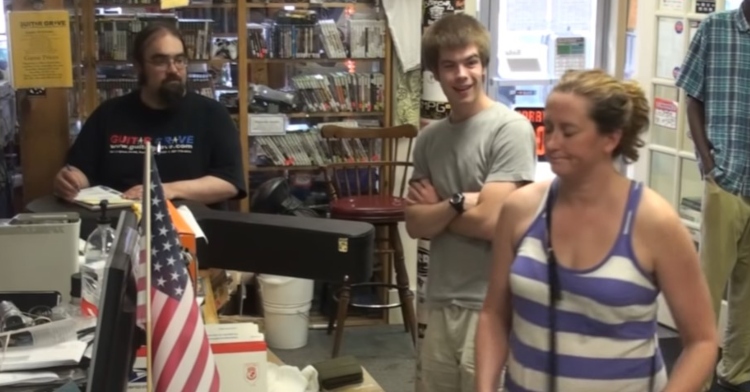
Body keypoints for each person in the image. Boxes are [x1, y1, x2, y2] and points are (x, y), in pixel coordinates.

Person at [475, 69, 718, 392]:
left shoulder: (655, 222)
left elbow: (703, 341)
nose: (552, 142)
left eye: (569, 131)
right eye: (549, 128)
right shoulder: (520, 210)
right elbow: (494, 315)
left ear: (611, 138)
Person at [405, 13, 537, 392]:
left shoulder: (509, 128)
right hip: (441, 299)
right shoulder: (429, 140)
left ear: (483, 65)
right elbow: (415, 224)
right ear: (435, 72)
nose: (461, 74)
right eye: (449, 65)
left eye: (470, 62)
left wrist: (441, 208)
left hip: (491, 304)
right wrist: (461, 202)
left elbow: (494, 224)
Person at [52, 23, 247, 209]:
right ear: (138, 66)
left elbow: (229, 182)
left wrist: (166, 190)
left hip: (192, 229)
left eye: (179, 60)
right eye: (160, 61)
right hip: (120, 227)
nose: (173, 69)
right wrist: (72, 180)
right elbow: (81, 170)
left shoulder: (212, 114)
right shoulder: (109, 114)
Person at [676, 3, 750, 391]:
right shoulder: (716, 28)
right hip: (726, 178)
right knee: (708, 284)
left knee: (749, 291)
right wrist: (707, 161)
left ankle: (736, 373)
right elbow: (692, 97)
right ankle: (696, 378)